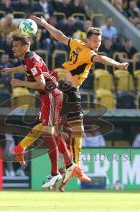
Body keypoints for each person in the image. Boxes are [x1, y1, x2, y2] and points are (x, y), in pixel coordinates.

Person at [31, 15, 129, 188]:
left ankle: (70, 165)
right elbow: (102, 59)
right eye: (95, 40)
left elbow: (60, 36)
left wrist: (45, 24)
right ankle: (73, 165)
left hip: (63, 88)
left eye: (99, 41)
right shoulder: (89, 53)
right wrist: (118, 65)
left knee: (60, 128)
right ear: (88, 39)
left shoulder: (76, 44)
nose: (97, 44)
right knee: (76, 130)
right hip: (70, 92)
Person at [2, 33, 90, 189]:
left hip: (50, 96)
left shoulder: (31, 60)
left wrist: (19, 82)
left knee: (48, 132)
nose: (13, 48)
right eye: (13, 45)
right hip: (52, 96)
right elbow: (26, 68)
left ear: (25, 46)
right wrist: (11, 70)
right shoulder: (30, 58)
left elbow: (41, 84)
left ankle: (23, 149)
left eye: (16, 46)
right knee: (51, 133)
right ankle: (66, 167)